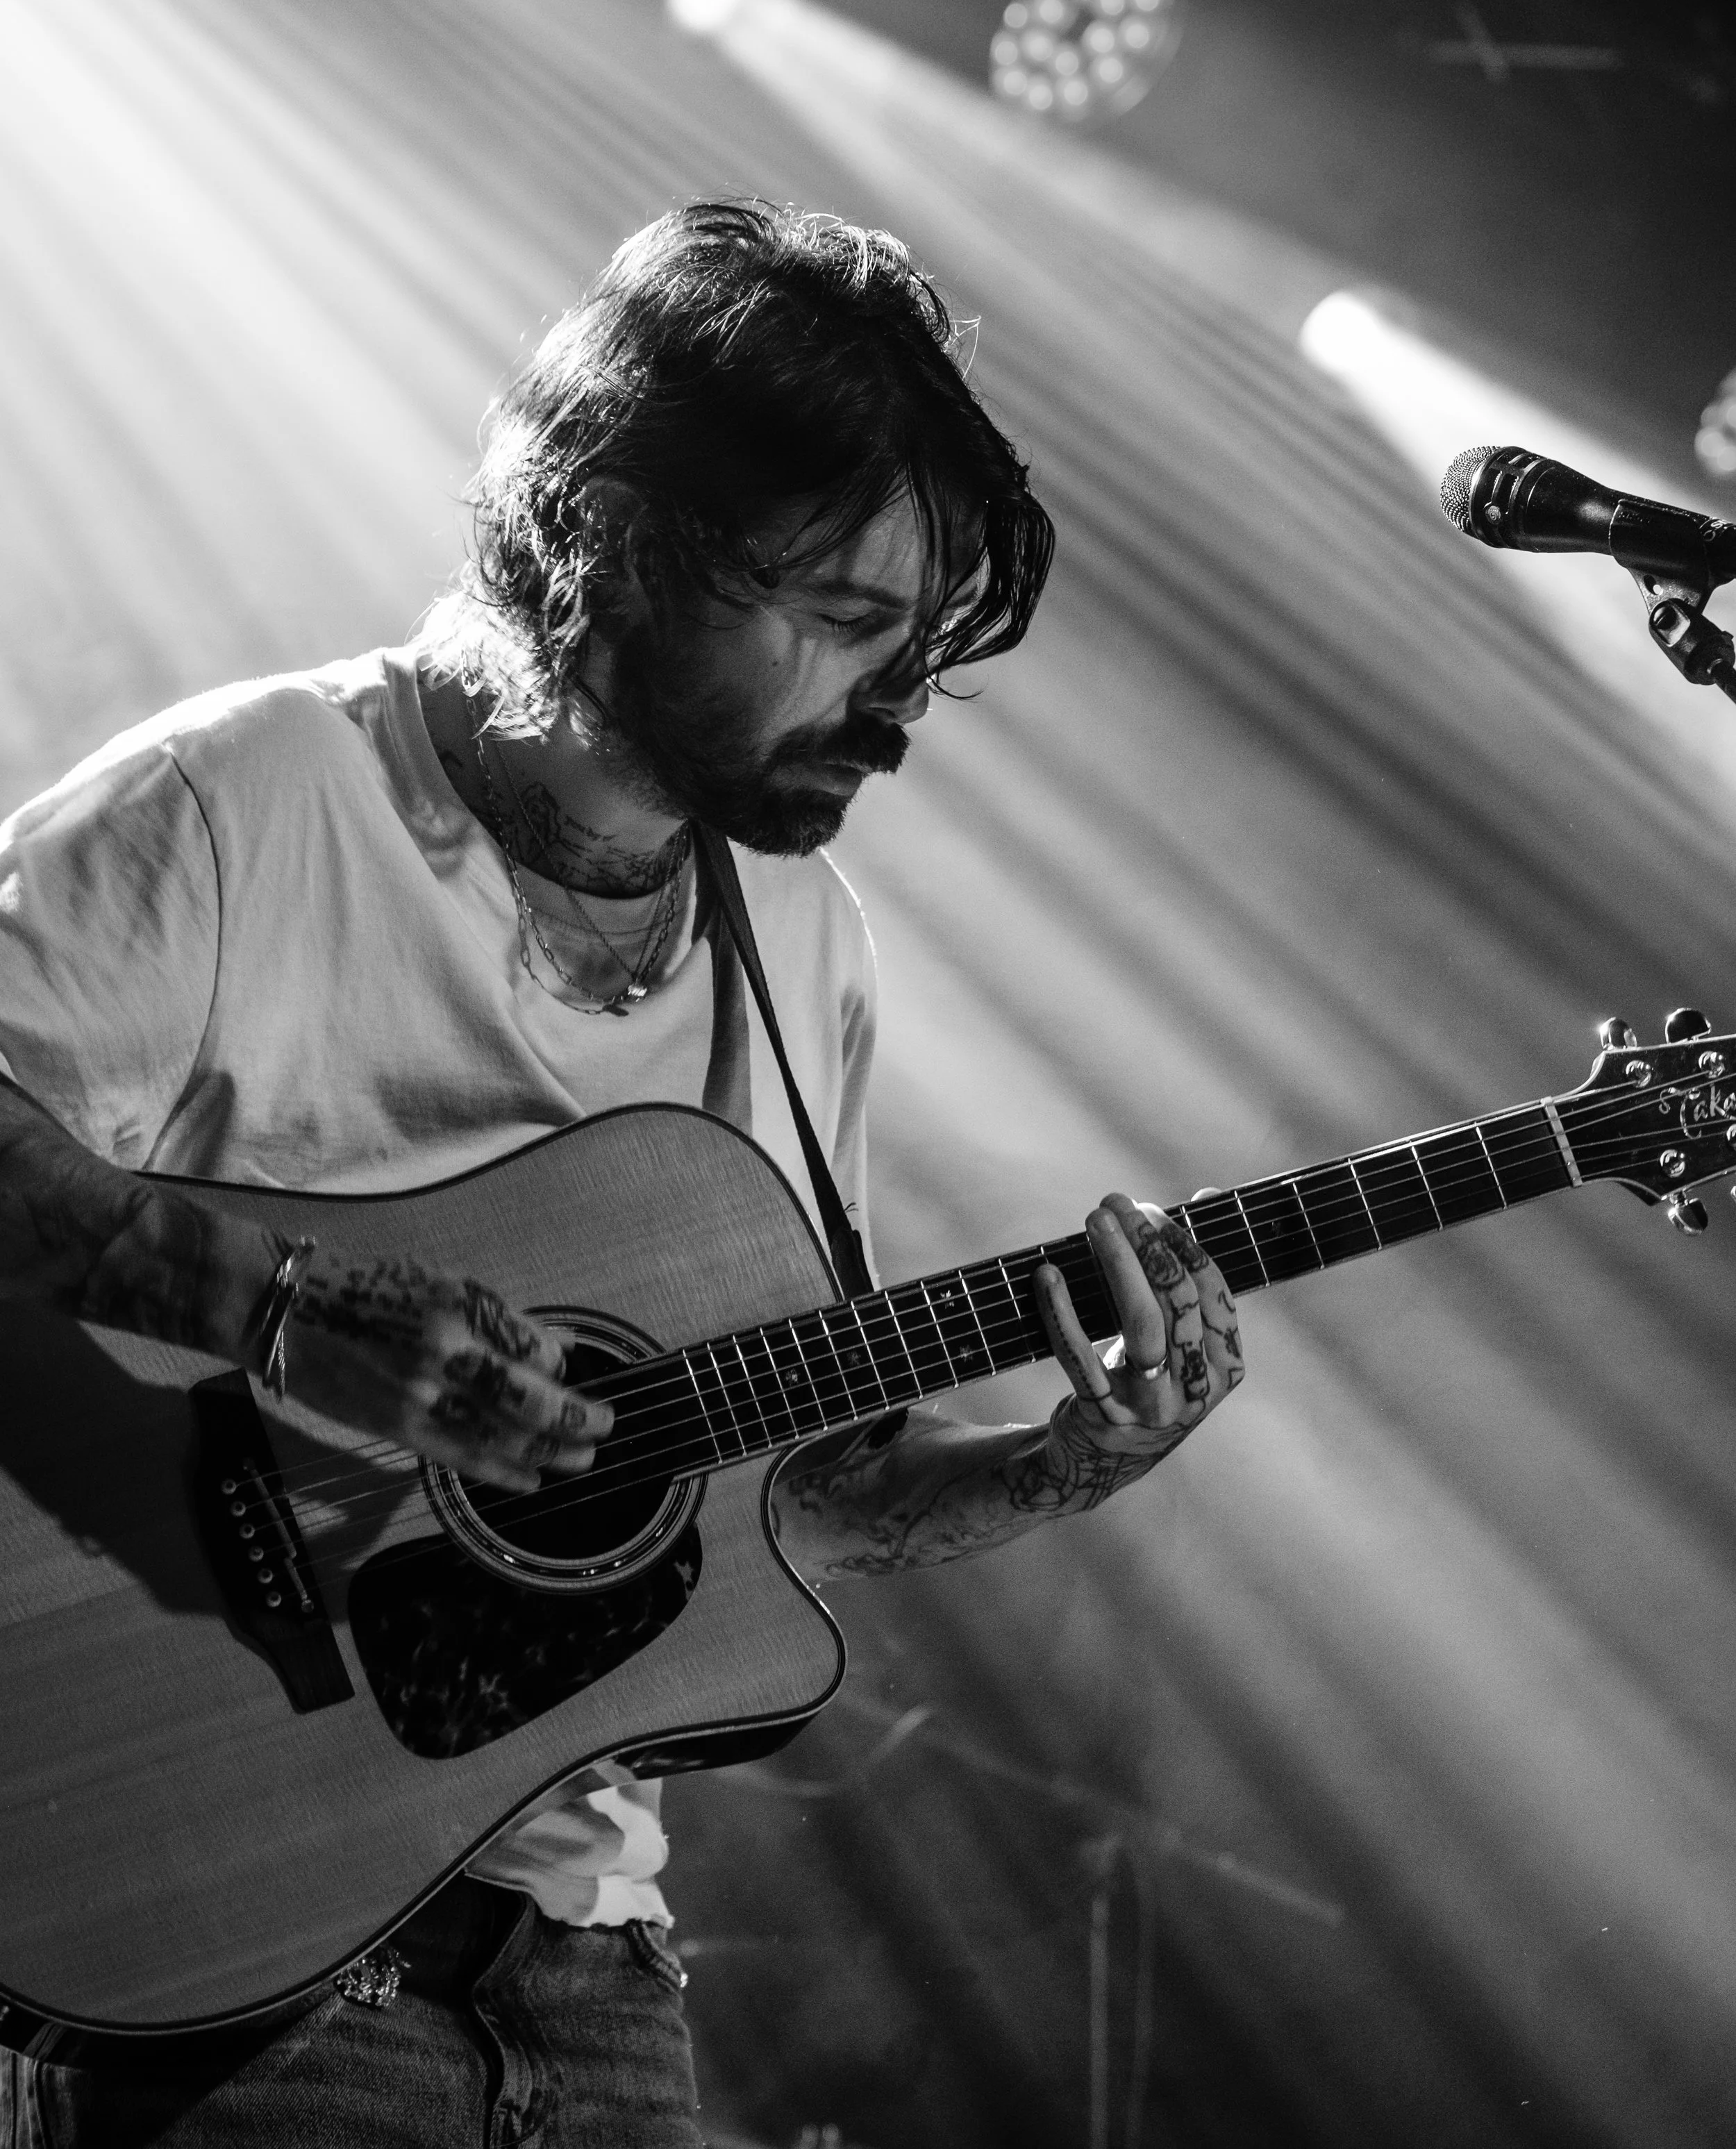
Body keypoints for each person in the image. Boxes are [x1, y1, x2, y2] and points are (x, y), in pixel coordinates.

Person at [0, 200, 1244, 2148]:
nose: (894, 707)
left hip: (591, 1975)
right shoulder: (244, 806)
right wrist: (274, 1303)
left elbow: (771, 1526)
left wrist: (1051, 1462)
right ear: (614, 535)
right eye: (837, 620)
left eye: (913, 645)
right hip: (211, 1959)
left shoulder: (806, 942)